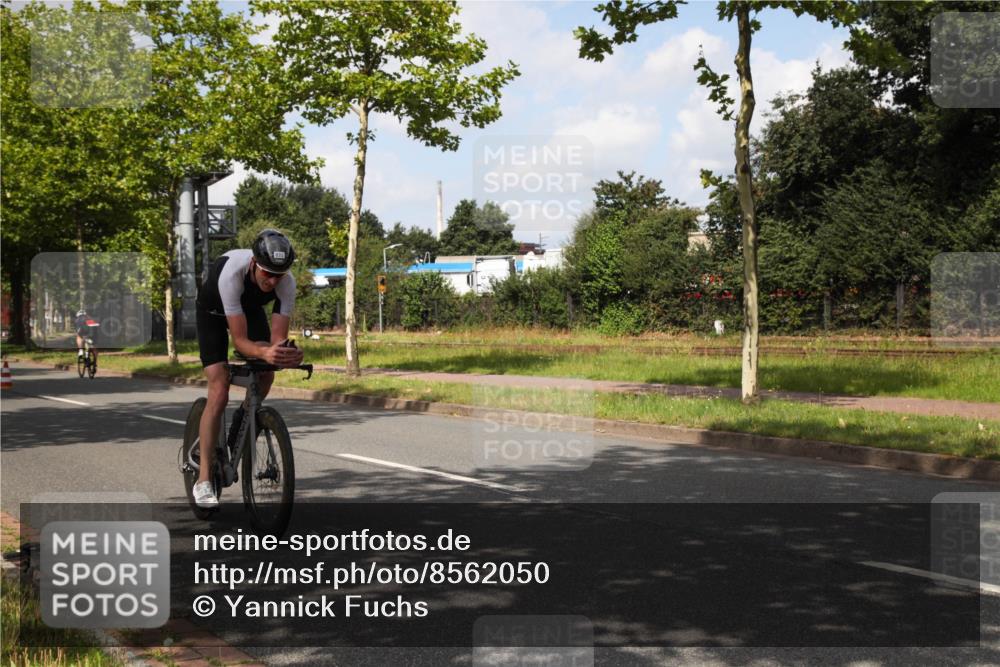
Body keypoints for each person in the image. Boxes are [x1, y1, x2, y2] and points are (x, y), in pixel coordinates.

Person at [193, 229, 304, 509]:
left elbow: (277, 339)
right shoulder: (232, 274)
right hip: (213, 313)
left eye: (279, 275)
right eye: (267, 273)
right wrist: (264, 351)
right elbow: (240, 342)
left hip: (248, 310)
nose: (273, 280)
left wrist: (286, 353)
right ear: (254, 263)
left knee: (267, 372)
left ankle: (245, 415)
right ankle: (203, 479)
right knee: (219, 387)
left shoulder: (286, 283)